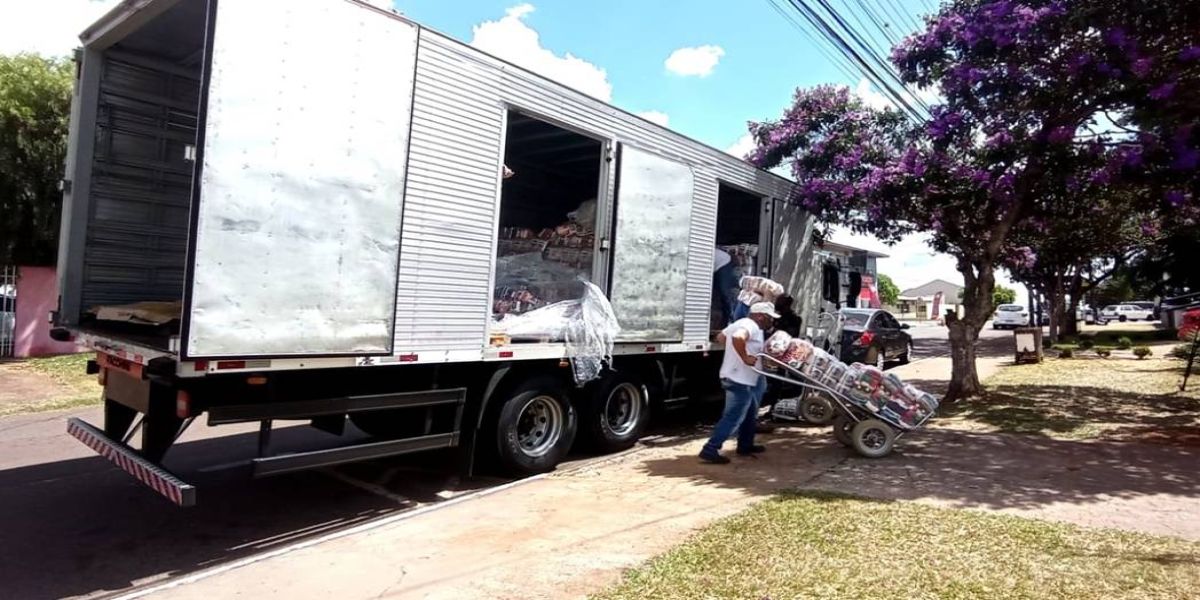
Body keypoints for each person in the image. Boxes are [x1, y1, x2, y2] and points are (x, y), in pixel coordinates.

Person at [699, 301, 779, 464]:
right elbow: (737, 337)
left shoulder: (741, 323)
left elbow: (721, 337)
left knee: (750, 413)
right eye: (770, 318)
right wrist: (744, 357)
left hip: (744, 378)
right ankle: (710, 449)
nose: (772, 321)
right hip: (738, 379)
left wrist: (735, 352)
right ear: (760, 316)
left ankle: (745, 445)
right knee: (734, 417)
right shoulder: (750, 325)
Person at [713, 247, 739, 326]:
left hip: (724, 263)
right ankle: (724, 321)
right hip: (716, 265)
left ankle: (733, 320)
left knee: (726, 293)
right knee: (718, 294)